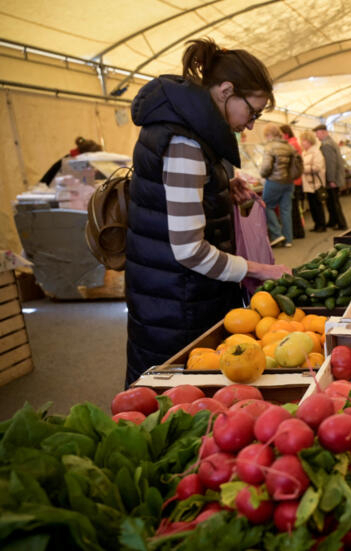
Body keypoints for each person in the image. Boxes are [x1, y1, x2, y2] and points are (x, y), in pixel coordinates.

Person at [126, 38, 289, 386]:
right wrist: (262, 270)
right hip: (178, 305)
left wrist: (217, 191)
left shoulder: (190, 131)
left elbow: (172, 199)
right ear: (226, 90)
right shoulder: (185, 142)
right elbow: (189, 251)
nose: (250, 125)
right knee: (175, 404)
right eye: (253, 112)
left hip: (171, 295)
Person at [259, 123, 298, 248]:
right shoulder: (289, 146)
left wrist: (262, 175)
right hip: (289, 182)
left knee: (265, 205)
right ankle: (288, 239)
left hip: (274, 182)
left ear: (269, 135)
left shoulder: (270, 147)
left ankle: (276, 234)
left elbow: (266, 167)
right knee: (286, 210)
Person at [313, 124, 348, 230]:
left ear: (323, 132)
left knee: (334, 203)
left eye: (317, 133)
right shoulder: (330, 142)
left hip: (332, 179)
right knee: (331, 202)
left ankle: (342, 224)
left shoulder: (327, 145)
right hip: (334, 178)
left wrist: (331, 179)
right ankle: (333, 221)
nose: (316, 136)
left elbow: (330, 164)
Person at [279, 124, 305, 239]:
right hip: (297, 179)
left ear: (285, 134)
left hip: (293, 181)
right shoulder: (294, 143)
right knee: (295, 207)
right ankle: (298, 230)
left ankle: (297, 231)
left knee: (293, 208)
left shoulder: (290, 145)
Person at [299, 130, 328, 232]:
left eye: (304, 141)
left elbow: (317, 167)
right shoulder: (303, 153)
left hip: (316, 183)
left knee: (318, 206)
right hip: (308, 184)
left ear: (309, 141)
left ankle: (321, 225)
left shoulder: (316, 152)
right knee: (312, 206)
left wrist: (303, 168)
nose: (302, 143)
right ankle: (316, 224)